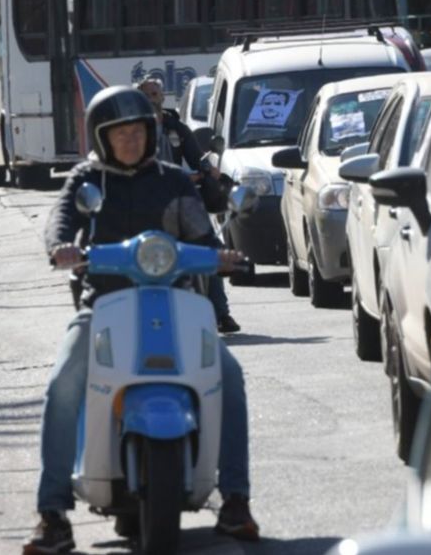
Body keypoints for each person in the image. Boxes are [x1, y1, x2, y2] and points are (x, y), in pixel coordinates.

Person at [25, 86, 259, 554]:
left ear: (152, 133)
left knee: (228, 377)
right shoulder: (86, 178)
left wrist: (223, 257)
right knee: (64, 383)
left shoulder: (172, 179)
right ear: (100, 137)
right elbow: (62, 221)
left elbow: (199, 231)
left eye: (138, 131)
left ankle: (235, 499)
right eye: (119, 133)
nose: (130, 141)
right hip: (103, 303)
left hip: (174, 302)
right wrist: (61, 248)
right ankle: (52, 514)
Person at [137, 77, 241, 334]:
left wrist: (211, 172)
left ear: (163, 97)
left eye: (156, 93)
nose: (153, 98)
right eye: (148, 94)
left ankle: (221, 314)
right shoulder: (132, 131)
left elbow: (197, 158)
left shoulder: (176, 127)